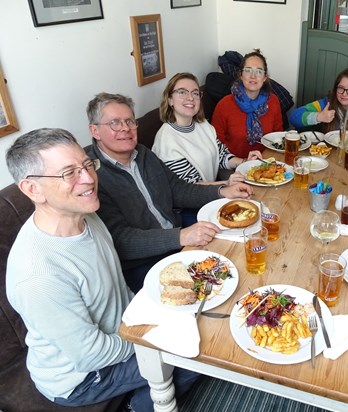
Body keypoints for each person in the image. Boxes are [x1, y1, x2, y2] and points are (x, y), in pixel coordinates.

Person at [5, 128, 199, 411]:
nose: (89, 179)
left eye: (87, 165)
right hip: (81, 377)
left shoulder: (87, 214)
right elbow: (91, 355)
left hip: (124, 327)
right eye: (69, 173)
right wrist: (153, 339)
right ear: (32, 189)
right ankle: (137, 406)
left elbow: (118, 288)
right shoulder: (38, 274)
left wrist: (157, 314)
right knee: (194, 357)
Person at [86, 93, 253, 292]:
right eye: (114, 123)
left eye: (130, 121)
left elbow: (178, 189)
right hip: (143, 263)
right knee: (217, 287)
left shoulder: (143, 154)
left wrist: (222, 191)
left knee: (241, 255)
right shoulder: (90, 175)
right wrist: (180, 237)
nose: (125, 128)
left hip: (176, 237)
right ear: (94, 130)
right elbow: (120, 240)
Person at [152, 72, 262, 186]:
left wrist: (245, 162)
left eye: (195, 93)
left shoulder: (203, 124)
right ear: (170, 100)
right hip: (192, 201)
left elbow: (222, 156)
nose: (190, 98)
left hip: (214, 192)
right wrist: (227, 183)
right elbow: (189, 188)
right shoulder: (166, 140)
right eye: (182, 92)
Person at [211, 49, 284, 158]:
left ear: (265, 77)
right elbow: (216, 144)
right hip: (233, 165)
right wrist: (241, 163)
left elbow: (278, 137)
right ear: (241, 74)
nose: (253, 76)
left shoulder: (273, 101)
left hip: (266, 163)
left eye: (259, 71)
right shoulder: (224, 105)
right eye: (248, 70)